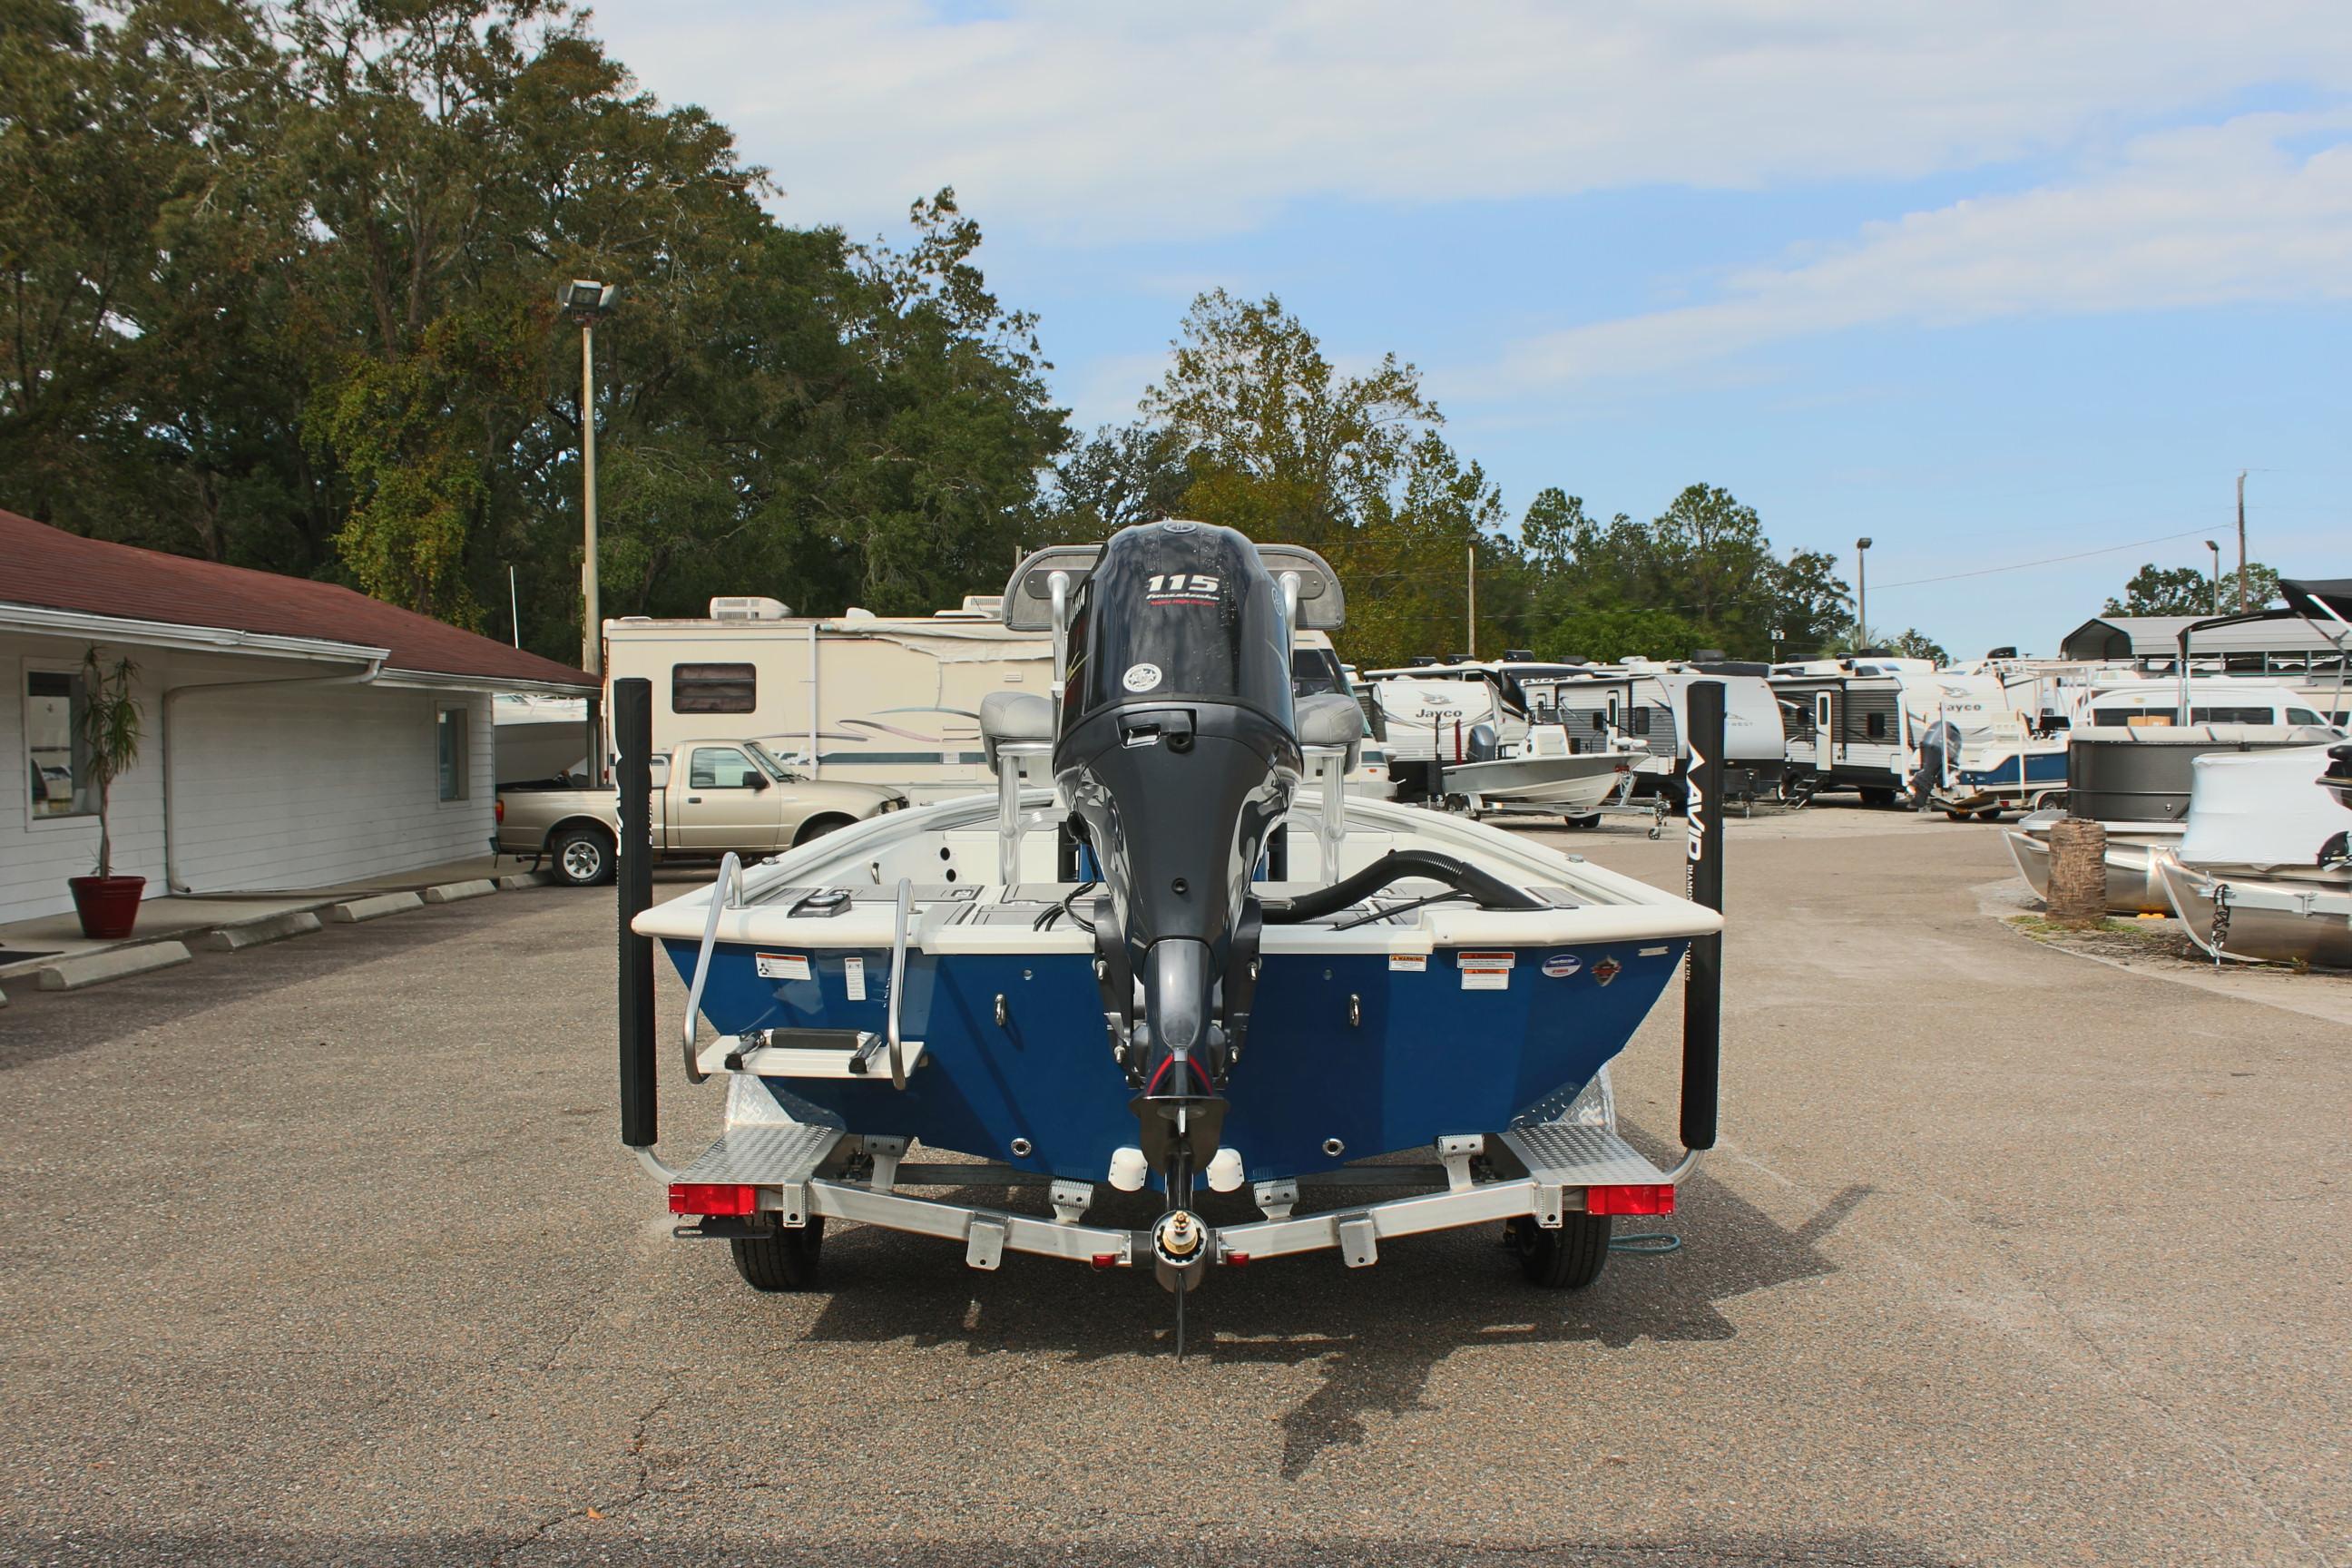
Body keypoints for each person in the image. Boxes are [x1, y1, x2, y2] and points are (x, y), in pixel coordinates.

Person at [1909, 717, 1961, 811]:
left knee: (1928, 771)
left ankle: (1917, 791)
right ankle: (1917, 791)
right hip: (1933, 749)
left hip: (1929, 748)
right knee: (1929, 771)